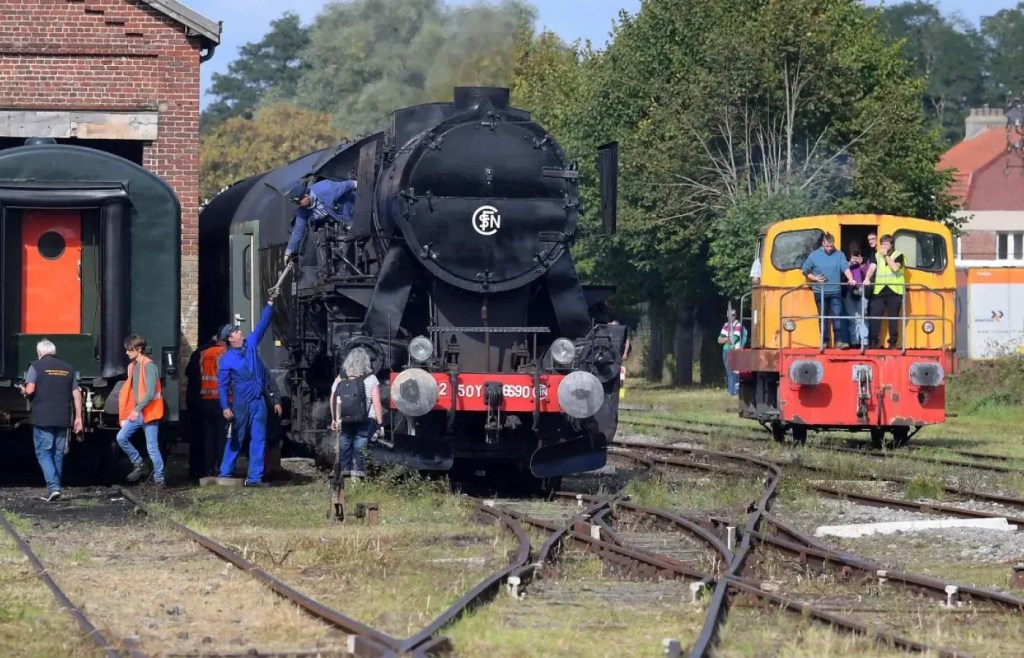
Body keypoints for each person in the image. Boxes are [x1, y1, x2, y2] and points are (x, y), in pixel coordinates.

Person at [217, 292, 278, 487]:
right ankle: (225, 473)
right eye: (236, 331)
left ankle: (254, 478)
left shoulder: (250, 345)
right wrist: (225, 407)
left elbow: (262, 325)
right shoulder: (226, 360)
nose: (240, 331)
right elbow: (223, 386)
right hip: (241, 404)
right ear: (230, 339)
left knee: (259, 439)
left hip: (258, 401)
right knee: (237, 437)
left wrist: (270, 303)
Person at [20, 339, 83, 502]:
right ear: (53, 352)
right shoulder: (68, 368)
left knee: (43, 452)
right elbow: (77, 394)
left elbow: (30, 389)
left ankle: (54, 488)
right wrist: (78, 418)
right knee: (57, 454)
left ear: (39, 353)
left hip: (43, 418)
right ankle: (55, 488)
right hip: (63, 417)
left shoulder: (35, 366)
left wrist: (23, 391)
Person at [116, 334, 166, 486]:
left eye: (129, 350)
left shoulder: (148, 366)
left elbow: (150, 393)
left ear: (138, 349)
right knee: (121, 438)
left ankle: (160, 479)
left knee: (152, 447)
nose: (127, 353)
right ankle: (139, 464)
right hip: (139, 412)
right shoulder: (133, 366)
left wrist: (136, 409)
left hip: (149, 413)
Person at [330, 348, 383, 480]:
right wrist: (380, 424)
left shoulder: (341, 377)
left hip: (344, 419)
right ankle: (358, 476)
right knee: (360, 446)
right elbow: (376, 404)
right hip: (365, 420)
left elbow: (333, 398)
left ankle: (344, 475)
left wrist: (334, 419)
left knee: (344, 444)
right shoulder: (371, 378)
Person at [801, 232, 856, 349]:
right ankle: (824, 342)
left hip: (835, 291)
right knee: (823, 317)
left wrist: (851, 279)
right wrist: (815, 278)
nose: (829, 249)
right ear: (823, 244)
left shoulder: (839, 255)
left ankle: (839, 342)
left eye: (831, 246)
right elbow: (805, 270)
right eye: (827, 246)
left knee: (837, 317)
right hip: (819, 292)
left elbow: (845, 268)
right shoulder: (814, 255)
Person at [283, 179, 358, 263]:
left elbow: (349, 184)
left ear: (306, 195)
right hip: (336, 224)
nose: (298, 205)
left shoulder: (327, 190)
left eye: (298, 201)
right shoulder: (302, 210)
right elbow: (298, 231)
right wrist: (289, 252)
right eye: (296, 203)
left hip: (353, 212)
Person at [864, 233, 906, 349]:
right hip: (880, 290)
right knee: (875, 316)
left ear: (891, 245)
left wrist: (886, 256)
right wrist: (867, 278)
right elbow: (872, 268)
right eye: (882, 244)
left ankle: (892, 343)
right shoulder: (877, 255)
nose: (883, 247)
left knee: (893, 318)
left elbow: (895, 268)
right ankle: (873, 342)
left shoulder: (899, 255)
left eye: (886, 244)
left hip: (895, 291)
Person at [197, 336, 228, 477]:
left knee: (209, 436)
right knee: (222, 436)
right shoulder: (224, 353)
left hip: (206, 397)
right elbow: (225, 376)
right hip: (220, 400)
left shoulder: (204, 353)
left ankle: (208, 467)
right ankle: (222, 467)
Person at [717, 308, 747, 395]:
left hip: (734, 350)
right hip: (726, 350)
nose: (732, 316)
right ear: (727, 315)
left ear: (735, 316)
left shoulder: (738, 325)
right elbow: (719, 340)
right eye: (730, 314)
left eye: (733, 315)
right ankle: (731, 390)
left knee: (734, 370)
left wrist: (725, 339)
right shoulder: (726, 325)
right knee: (728, 371)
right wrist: (727, 339)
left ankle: (734, 390)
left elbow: (734, 339)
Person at [844, 243, 869, 347]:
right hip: (848, 292)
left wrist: (862, 263)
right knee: (852, 318)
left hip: (861, 291)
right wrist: (850, 263)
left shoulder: (865, 261)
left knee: (863, 317)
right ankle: (854, 341)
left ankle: (864, 341)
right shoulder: (844, 262)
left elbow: (868, 274)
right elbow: (842, 273)